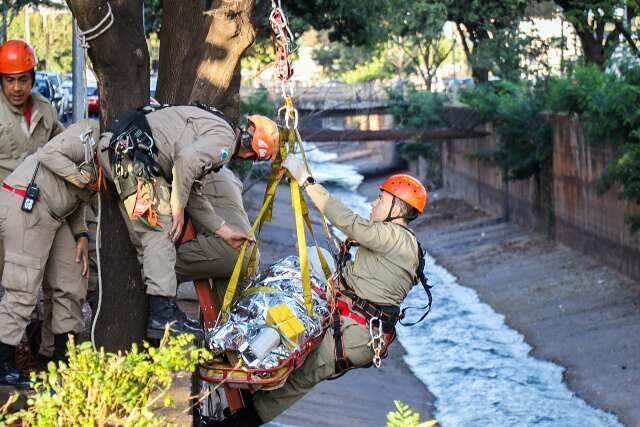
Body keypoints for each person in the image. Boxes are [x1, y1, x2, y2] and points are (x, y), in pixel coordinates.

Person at [213, 156, 430, 426]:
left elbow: (347, 221)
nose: (374, 204)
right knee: (315, 260)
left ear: (397, 208)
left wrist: (306, 180)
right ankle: (244, 380)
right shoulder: (403, 243)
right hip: (355, 321)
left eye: (381, 200)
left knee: (296, 379)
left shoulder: (393, 237)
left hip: (354, 333)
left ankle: (236, 422)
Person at [95, 106, 278, 339]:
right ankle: (162, 316)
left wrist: (223, 231)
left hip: (132, 156)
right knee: (157, 233)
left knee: (151, 239)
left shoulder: (216, 131)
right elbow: (186, 161)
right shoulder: (225, 142)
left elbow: (193, 192)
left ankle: (158, 308)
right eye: (253, 157)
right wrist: (177, 207)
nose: (248, 159)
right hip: (132, 159)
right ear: (252, 152)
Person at [0, 39, 87, 388]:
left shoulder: (48, 112)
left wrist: (80, 230)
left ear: (33, 77)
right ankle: (5, 361)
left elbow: (70, 171)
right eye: (9, 79)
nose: (17, 87)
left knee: (70, 282)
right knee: (20, 289)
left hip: (53, 209)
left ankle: (58, 359)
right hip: (11, 212)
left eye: (23, 78)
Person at [175, 166, 257, 305]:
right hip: (251, 257)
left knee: (158, 266)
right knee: (224, 323)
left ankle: (160, 316)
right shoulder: (229, 175)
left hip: (230, 250)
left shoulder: (193, 165)